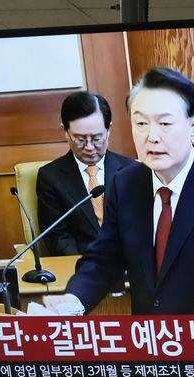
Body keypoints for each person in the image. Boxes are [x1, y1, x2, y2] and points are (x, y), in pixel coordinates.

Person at [47, 67, 194, 315]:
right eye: (141, 123)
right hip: (149, 341)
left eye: (164, 123)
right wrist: (73, 302)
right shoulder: (125, 184)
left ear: (193, 126)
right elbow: (104, 259)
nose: (151, 136)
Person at [36, 91, 138, 256]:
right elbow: (57, 237)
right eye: (81, 139)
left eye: (97, 138)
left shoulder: (132, 171)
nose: (90, 147)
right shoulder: (51, 177)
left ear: (108, 130)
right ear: (65, 132)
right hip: (81, 268)